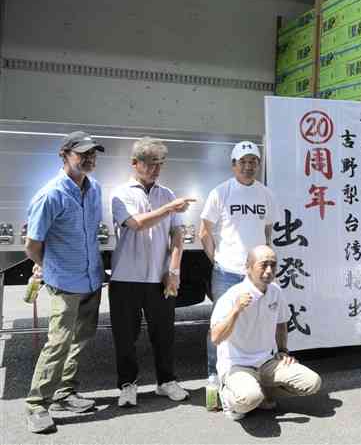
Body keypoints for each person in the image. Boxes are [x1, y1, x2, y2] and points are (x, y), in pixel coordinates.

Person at [23, 131, 105, 434]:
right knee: (58, 343)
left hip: (91, 278)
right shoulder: (50, 195)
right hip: (64, 283)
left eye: (93, 153)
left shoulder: (94, 188)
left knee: (81, 339)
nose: (89, 158)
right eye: (82, 153)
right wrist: (50, 268)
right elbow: (33, 245)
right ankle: (36, 405)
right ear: (65, 155)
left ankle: (65, 393)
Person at [110, 138, 196, 407]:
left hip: (159, 277)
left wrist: (174, 269)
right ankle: (127, 384)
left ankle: (166, 381)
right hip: (126, 277)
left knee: (164, 333)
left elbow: (177, 234)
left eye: (160, 164)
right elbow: (137, 224)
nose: (156, 170)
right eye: (150, 164)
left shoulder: (167, 193)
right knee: (125, 336)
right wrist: (170, 208)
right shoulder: (121, 193)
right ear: (135, 164)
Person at [200, 141, 279, 403]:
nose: (248, 166)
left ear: (258, 165)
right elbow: (205, 231)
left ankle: (255, 374)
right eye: (243, 162)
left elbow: (267, 232)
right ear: (233, 165)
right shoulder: (220, 192)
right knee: (220, 323)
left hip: (256, 275)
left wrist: (265, 263)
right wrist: (218, 261)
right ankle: (214, 374)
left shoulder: (266, 194)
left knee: (258, 324)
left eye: (253, 162)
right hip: (227, 272)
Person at [210, 245, 321, 420]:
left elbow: (281, 323)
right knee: (248, 399)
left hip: (267, 362)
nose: (269, 270)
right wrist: (236, 310)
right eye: (263, 265)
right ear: (248, 267)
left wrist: (283, 351)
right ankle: (228, 396)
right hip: (237, 365)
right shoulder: (232, 296)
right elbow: (216, 337)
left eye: (273, 265)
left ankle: (261, 393)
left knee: (312, 383)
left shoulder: (275, 291)